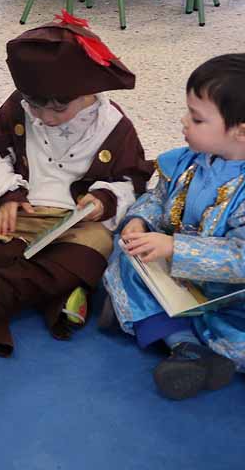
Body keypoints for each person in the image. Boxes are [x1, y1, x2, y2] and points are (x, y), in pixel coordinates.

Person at [0, 12, 152, 356]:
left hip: (75, 224)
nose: (45, 117)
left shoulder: (114, 125)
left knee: (99, 244)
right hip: (23, 217)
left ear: (90, 90)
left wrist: (103, 200)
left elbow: (133, 181)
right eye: (37, 106)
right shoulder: (22, 106)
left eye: (58, 108)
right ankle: (60, 288)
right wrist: (8, 192)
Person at [101, 54, 245, 400]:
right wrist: (140, 220)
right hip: (180, 281)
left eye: (196, 119)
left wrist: (176, 248)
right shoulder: (187, 162)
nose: (184, 122)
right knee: (127, 259)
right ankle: (187, 348)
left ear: (240, 132)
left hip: (233, 299)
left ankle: (162, 329)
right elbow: (159, 197)